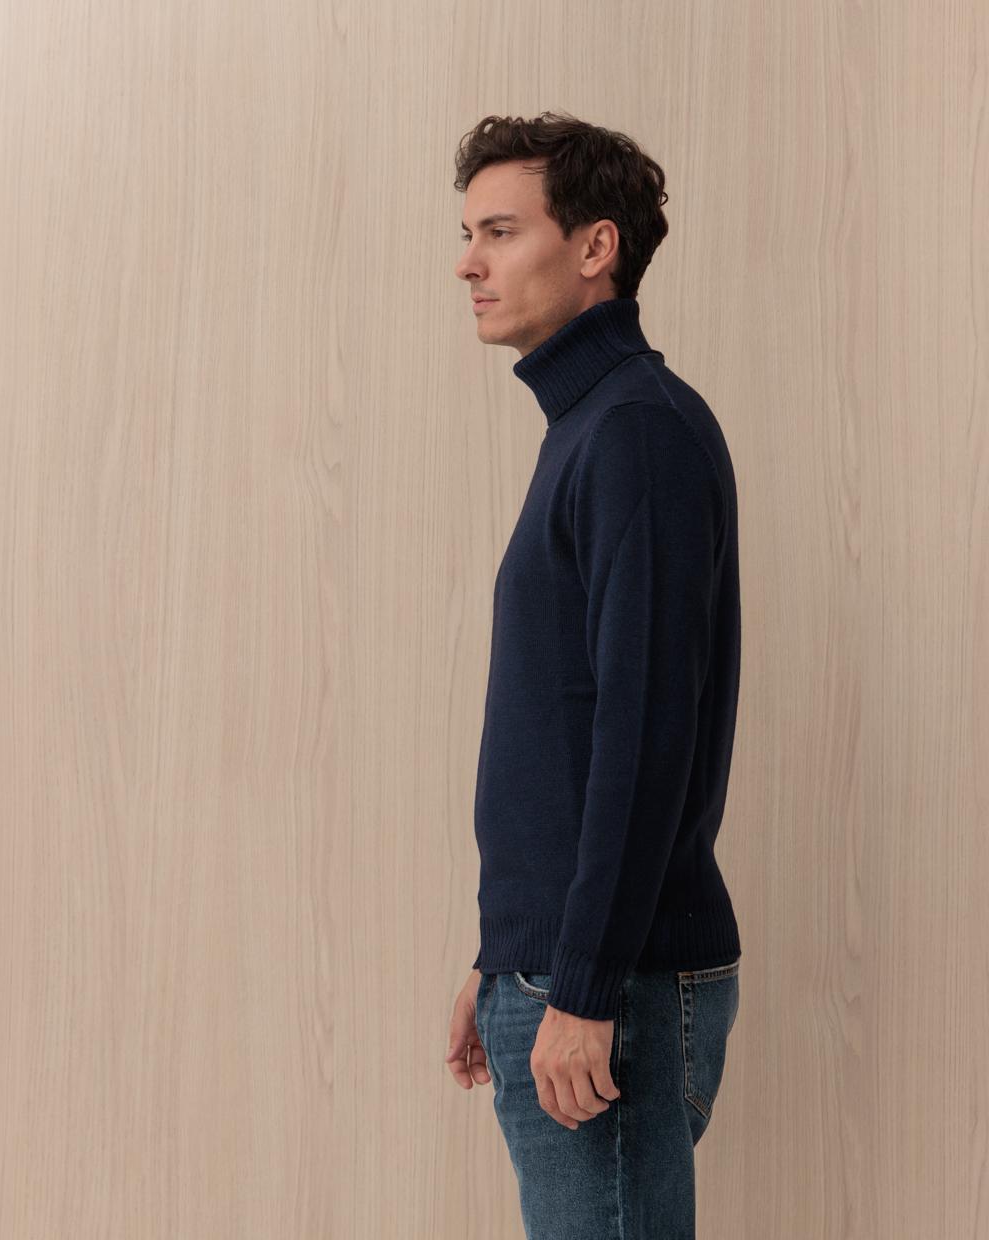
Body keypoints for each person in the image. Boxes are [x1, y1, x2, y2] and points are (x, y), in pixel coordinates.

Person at [443, 111, 742, 1239]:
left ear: (593, 247)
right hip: (560, 970)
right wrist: (509, 953)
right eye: (468, 234)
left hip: (608, 984)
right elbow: (561, 731)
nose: (468, 263)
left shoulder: (634, 433)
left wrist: (579, 982)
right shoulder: (590, 426)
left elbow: (647, 731)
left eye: (500, 231)